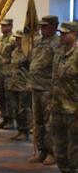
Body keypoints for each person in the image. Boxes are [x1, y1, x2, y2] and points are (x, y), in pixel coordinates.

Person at [27, 15, 60, 165]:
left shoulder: (58, 43)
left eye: (45, 26)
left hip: (48, 88)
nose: (42, 29)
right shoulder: (38, 42)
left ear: (54, 26)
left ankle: (52, 152)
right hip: (36, 86)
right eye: (41, 26)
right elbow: (33, 62)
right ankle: (42, 151)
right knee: (38, 121)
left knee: (49, 122)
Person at [50, 21, 78, 173]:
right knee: (58, 144)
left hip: (74, 109)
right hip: (58, 107)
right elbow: (54, 80)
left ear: (74, 34)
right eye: (61, 33)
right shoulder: (59, 53)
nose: (62, 36)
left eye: (65, 33)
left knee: (74, 146)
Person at [7, 30, 31, 142]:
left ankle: (25, 131)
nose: (17, 40)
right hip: (13, 84)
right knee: (15, 109)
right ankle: (20, 130)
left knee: (23, 110)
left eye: (19, 38)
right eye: (16, 38)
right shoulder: (15, 51)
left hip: (23, 85)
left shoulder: (28, 52)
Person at [0, 18, 16, 129]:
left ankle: (11, 120)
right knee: (0, 96)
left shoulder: (13, 40)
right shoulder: (0, 39)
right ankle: (4, 117)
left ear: (11, 26)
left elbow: (16, 55)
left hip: (9, 72)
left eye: (5, 26)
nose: (3, 28)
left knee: (9, 97)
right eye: (2, 26)